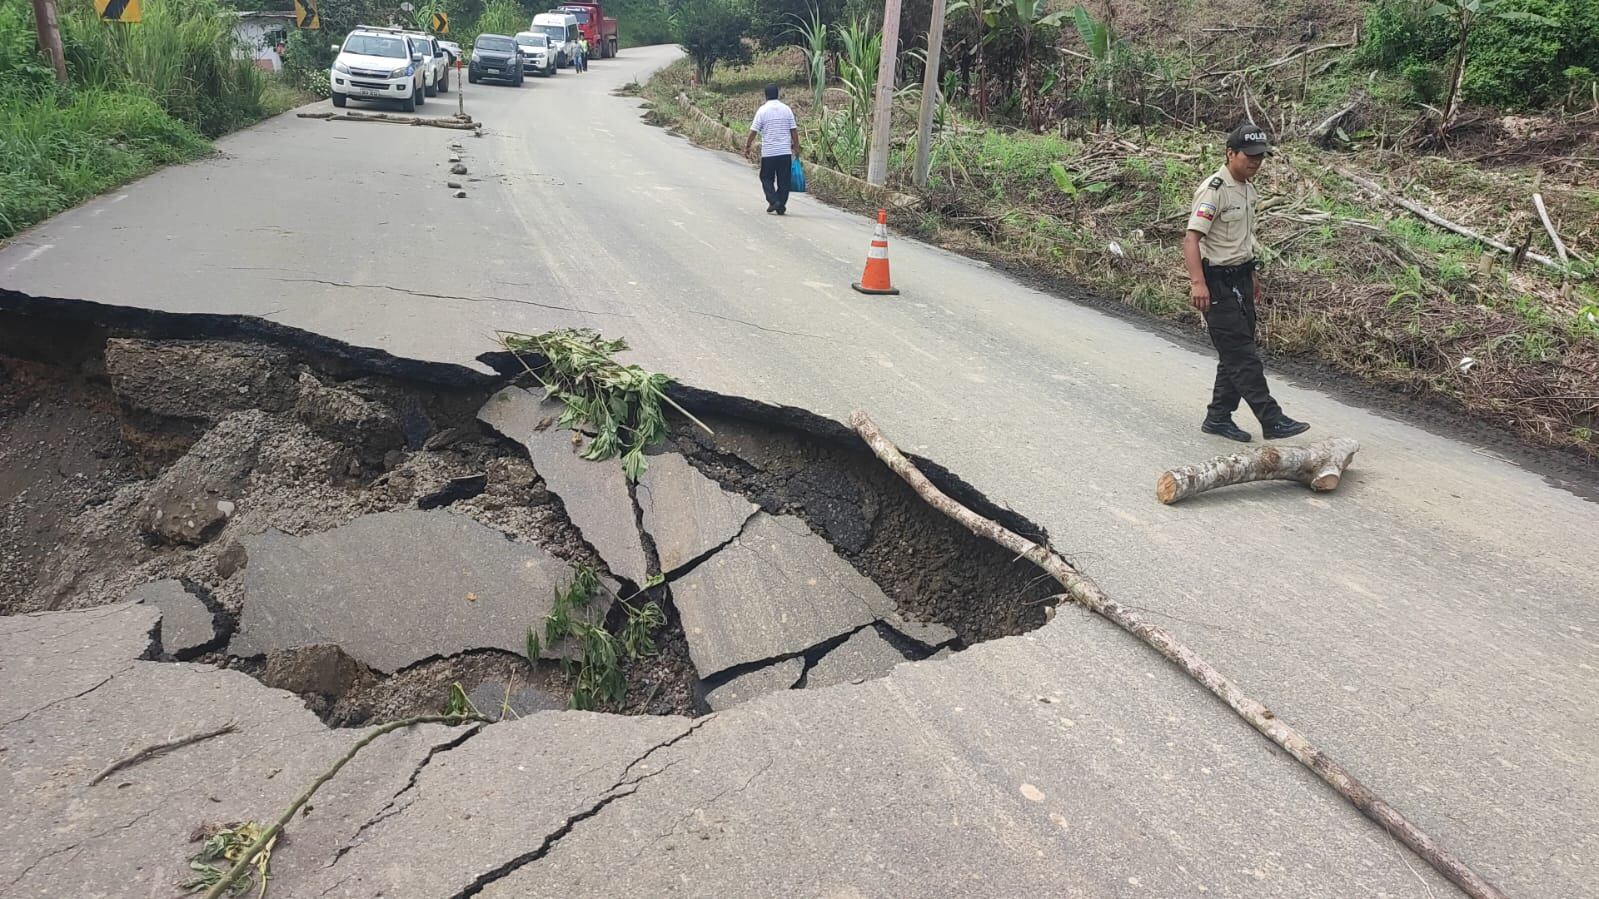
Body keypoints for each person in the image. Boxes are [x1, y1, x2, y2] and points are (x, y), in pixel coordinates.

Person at [1183, 123, 1309, 443]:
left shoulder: (1247, 187)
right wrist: (1198, 283)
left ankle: (1218, 417)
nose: (1255, 162)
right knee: (1242, 354)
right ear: (1231, 153)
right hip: (1216, 283)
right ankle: (1271, 418)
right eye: (1249, 156)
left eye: (1260, 156)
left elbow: (1243, 240)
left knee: (1234, 353)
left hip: (1240, 278)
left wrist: (1251, 277)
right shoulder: (1215, 189)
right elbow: (1191, 239)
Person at [743, 84, 799, 215]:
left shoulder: (762, 111)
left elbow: (753, 131)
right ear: (777, 94)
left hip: (769, 153)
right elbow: (794, 131)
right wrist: (796, 147)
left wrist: (747, 146)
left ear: (766, 95)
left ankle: (774, 201)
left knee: (766, 178)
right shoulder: (787, 109)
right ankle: (780, 205)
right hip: (785, 152)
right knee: (784, 180)